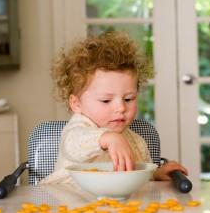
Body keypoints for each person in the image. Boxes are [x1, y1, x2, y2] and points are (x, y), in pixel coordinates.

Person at [40, 32, 188, 184]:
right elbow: (73, 146)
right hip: (67, 200)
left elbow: (135, 178)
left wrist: (154, 175)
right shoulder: (78, 129)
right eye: (106, 100)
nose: (121, 107)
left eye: (128, 99)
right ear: (76, 104)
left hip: (115, 205)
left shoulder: (137, 143)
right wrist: (107, 138)